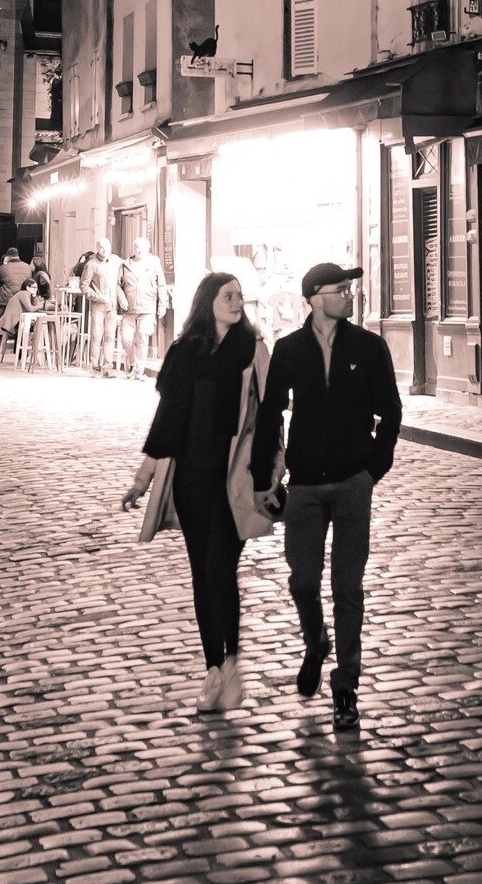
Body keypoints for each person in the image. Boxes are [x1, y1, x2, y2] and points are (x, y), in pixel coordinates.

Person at [250, 262, 402, 733]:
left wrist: (372, 469)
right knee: (302, 580)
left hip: (353, 483)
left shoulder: (368, 347)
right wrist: (264, 476)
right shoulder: (290, 349)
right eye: (340, 289)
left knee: (348, 588)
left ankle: (346, 687)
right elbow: (271, 411)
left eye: (350, 288)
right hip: (307, 487)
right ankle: (315, 643)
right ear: (315, 297)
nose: (349, 294)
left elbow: (391, 412)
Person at [122, 272, 274, 713]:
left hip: (235, 479)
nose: (236, 302)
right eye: (228, 295)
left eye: (240, 296)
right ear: (208, 301)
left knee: (220, 567)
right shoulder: (184, 352)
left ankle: (231, 662)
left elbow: (269, 419)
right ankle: (214, 669)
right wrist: (141, 477)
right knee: (201, 573)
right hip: (190, 478)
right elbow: (167, 420)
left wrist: (270, 475)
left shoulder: (253, 349)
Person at [118, 236, 168, 378]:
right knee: (126, 339)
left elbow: (162, 285)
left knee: (142, 337)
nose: (139, 251)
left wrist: (162, 305)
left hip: (147, 308)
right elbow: (118, 285)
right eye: (137, 248)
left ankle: (139, 370)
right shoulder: (125, 265)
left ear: (148, 250)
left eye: (142, 248)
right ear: (133, 249)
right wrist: (121, 298)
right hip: (129, 309)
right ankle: (133, 363)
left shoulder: (153, 264)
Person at [82, 237, 122, 375]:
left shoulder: (116, 261)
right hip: (98, 306)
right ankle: (94, 366)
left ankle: (107, 366)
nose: (104, 250)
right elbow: (84, 285)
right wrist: (97, 297)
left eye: (107, 247)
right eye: (101, 247)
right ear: (97, 248)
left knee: (110, 336)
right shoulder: (91, 264)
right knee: (96, 336)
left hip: (112, 306)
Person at [0, 247, 32, 343]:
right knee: (18, 322)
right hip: (21, 301)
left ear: (8, 256)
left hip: (4, 300)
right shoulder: (28, 267)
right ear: (18, 255)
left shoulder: (3, 268)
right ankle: (19, 342)